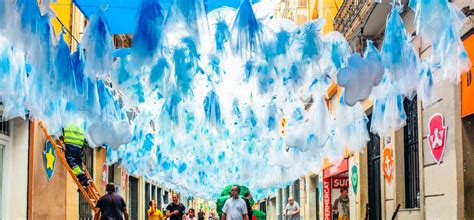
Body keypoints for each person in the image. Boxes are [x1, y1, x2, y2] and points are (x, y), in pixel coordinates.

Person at [63, 122, 90, 186]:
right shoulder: (80, 119)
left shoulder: (68, 116)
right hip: (79, 144)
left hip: (70, 141)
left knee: (71, 161)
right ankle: (83, 181)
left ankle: (82, 177)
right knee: (78, 162)